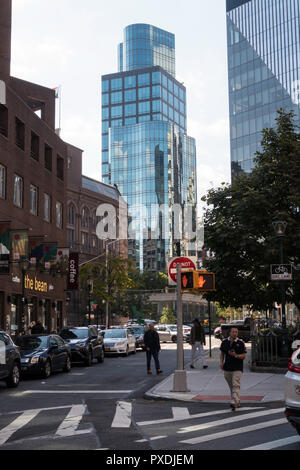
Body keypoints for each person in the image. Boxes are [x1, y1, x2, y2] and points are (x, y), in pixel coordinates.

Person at [220, 327, 247, 411]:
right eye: (233, 332)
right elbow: (222, 354)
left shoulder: (241, 342)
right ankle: (236, 401)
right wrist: (221, 362)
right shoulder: (224, 342)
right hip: (227, 367)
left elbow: (244, 356)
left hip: (237, 368)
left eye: (236, 332)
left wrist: (236, 355)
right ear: (229, 333)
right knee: (232, 386)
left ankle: (234, 401)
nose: (235, 333)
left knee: (235, 384)